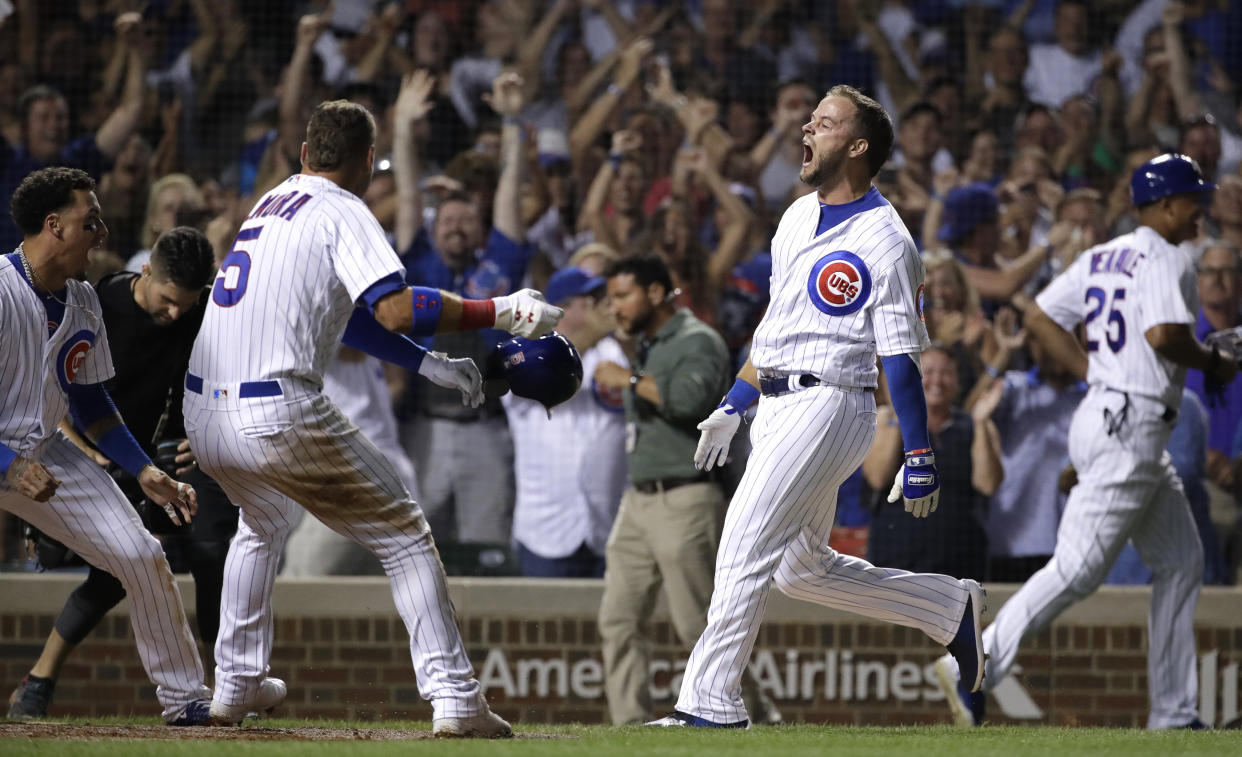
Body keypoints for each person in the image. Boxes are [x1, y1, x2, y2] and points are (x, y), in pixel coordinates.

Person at [183, 99, 562, 735]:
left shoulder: (273, 201)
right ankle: (457, 700)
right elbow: (391, 309)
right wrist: (498, 310)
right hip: (275, 408)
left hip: (206, 411)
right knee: (406, 534)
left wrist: (427, 365)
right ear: (366, 160)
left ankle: (235, 684)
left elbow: (357, 315)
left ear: (305, 155)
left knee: (263, 520)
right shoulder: (345, 208)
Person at [649, 85, 986, 729]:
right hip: (777, 400)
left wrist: (919, 452)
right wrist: (734, 402)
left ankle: (709, 705)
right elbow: (777, 330)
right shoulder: (797, 215)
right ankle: (947, 608)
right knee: (800, 571)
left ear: (857, 146)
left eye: (825, 123)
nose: (808, 128)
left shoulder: (888, 240)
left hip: (832, 403)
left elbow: (899, 358)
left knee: (743, 544)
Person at [934, 153, 1232, 730]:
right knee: (1078, 568)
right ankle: (976, 662)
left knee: (1181, 561)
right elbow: (1166, 335)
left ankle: (1173, 712)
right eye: (1193, 198)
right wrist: (1214, 362)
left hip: (1110, 416)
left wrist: (1091, 370)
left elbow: (1042, 314)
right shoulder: (1168, 254)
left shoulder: (1103, 254)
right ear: (1164, 205)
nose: (1201, 207)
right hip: (1133, 423)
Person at [0, 167, 212, 725]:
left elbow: (92, 405)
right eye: (88, 221)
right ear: (54, 226)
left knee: (142, 556)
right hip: (8, 456)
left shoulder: (85, 302)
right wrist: (8, 465)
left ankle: (186, 699)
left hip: (45, 452)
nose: (102, 232)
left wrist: (143, 469)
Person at [594, 254, 774, 726]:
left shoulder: (698, 340)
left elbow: (693, 402)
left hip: (686, 498)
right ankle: (629, 727)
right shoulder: (647, 343)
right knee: (618, 619)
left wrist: (629, 378)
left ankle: (752, 716)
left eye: (622, 296)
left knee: (699, 625)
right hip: (637, 501)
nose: (613, 307)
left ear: (656, 293)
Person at [502, 266, 627, 578]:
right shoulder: (521, 349)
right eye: (591, 300)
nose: (603, 307)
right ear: (562, 309)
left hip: (607, 525)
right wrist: (592, 334)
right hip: (546, 531)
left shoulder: (614, 352)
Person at [864, 345, 1003, 582]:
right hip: (895, 562)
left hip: (962, 562)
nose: (937, 380)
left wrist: (980, 421)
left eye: (946, 372)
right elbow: (877, 477)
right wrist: (903, 412)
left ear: (957, 382)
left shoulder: (977, 425)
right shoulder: (885, 419)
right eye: (926, 371)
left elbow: (988, 484)